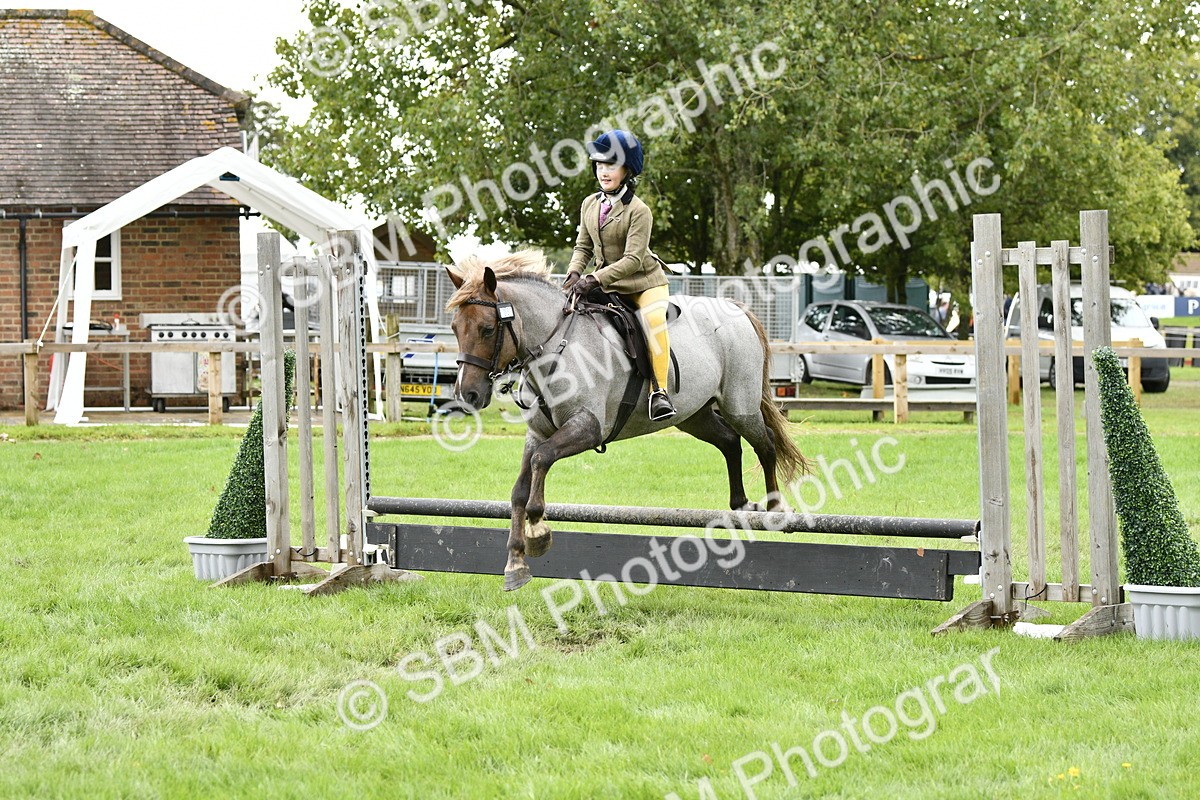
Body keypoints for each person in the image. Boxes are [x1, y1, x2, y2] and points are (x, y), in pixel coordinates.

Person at [564, 129, 676, 421]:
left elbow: (632, 260)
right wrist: (575, 272)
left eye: (611, 165)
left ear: (627, 170)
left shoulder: (640, 211)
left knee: (652, 321)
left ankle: (659, 393)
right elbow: (583, 246)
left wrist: (594, 279)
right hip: (606, 282)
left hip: (644, 283)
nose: (604, 171)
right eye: (600, 165)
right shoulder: (590, 204)